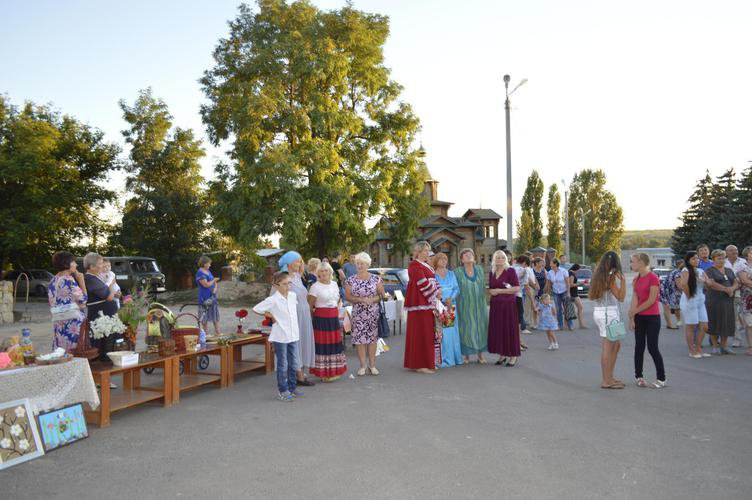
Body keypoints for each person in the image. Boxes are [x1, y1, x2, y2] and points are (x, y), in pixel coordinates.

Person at [253, 272, 302, 401]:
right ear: (276, 285)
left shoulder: (292, 296)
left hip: (293, 334)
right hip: (281, 335)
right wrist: (271, 316)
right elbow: (256, 309)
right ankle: (283, 390)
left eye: (289, 283)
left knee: (293, 362)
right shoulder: (273, 299)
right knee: (282, 364)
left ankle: (292, 387)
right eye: (285, 284)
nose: (288, 286)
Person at [589, 251, 627, 389]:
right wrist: (623, 281)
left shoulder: (599, 275)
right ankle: (606, 380)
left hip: (602, 312)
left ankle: (610, 376)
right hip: (608, 313)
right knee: (608, 346)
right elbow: (621, 297)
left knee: (616, 345)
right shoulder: (610, 277)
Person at [628, 253, 666, 388]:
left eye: (632, 262)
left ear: (641, 262)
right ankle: (639, 376)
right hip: (639, 317)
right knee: (639, 347)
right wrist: (632, 317)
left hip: (652, 317)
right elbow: (635, 298)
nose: (631, 264)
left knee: (652, 347)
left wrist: (634, 311)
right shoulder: (636, 279)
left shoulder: (653, 278)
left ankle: (661, 378)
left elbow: (651, 300)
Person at [278, 251, 315, 386]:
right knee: (295, 344)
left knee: (303, 342)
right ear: (289, 263)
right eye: (297, 261)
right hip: (293, 315)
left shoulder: (298, 276)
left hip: (304, 313)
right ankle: (298, 375)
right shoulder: (282, 277)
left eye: (300, 261)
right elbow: (274, 297)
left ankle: (299, 372)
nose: (300, 264)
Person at [404, 242, 442, 374]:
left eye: (428, 250)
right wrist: (435, 293)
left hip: (428, 302)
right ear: (418, 251)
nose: (428, 253)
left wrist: (439, 289)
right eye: (425, 251)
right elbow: (422, 282)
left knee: (428, 334)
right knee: (420, 334)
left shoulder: (427, 265)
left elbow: (433, 280)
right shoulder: (414, 265)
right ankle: (420, 364)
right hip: (420, 303)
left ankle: (428, 362)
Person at [346, 252, 384, 376]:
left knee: (372, 340)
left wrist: (373, 300)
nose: (359, 266)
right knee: (359, 340)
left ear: (367, 264)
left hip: (373, 314)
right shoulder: (350, 280)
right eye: (358, 263)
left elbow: (382, 295)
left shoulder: (375, 278)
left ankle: (372, 366)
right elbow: (347, 296)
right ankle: (362, 366)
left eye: (362, 263)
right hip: (358, 314)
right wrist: (360, 300)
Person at [307, 262, 347, 381]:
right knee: (323, 345)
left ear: (330, 272)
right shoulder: (315, 286)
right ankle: (324, 373)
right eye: (321, 271)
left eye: (326, 271)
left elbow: (337, 300)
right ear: (318, 273)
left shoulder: (335, 284)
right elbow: (310, 305)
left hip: (333, 318)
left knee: (334, 344)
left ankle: (334, 371)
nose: (324, 273)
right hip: (321, 319)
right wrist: (312, 320)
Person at [454, 248, 489, 363]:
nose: (468, 256)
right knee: (466, 328)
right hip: (464, 305)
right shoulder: (457, 272)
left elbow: (483, 286)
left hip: (479, 305)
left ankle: (480, 355)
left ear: (474, 258)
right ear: (461, 259)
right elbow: (455, 288)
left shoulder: (479, 269)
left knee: (480, 328)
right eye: (465, 255)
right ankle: (466, 355)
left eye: (470, 254)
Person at [48, 251, 87, 351]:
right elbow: (83, 299)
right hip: (72, 322)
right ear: (66, 264)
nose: (76, 264)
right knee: (74, 351)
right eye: (73, 262)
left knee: (61, 350)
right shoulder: (69, 280)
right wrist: (81, 281)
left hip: (59, 321)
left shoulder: (53, 280)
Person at [83, 252, 119, 360]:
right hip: (100, 318)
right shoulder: (90, 279)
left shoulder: (96, 277)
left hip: (105, 317)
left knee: (107, 343)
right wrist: (112, 284)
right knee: (101, 345)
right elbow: (108, 296)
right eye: (100, 263)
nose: (102, 266)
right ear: (92, 267)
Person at [487, 250, 521, 366]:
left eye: (502, 257)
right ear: (494, 259)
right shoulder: (492, 272)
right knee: (499, 330)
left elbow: (516, 288)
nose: (500, 259)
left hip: (508, 306)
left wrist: (499, 291)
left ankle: (513, 355)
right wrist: (491, 291)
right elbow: (491, 287)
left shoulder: (510, 271)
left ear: (506, 259)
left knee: (509, 329)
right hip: (496, 306)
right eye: (498, 257)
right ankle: (502, 354)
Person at [704, 249, 739, 354]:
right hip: (714, 300)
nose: (721, 260)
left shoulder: (729, 270)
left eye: (723, 258)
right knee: (714, 322)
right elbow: (711, 284)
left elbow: (736, 282)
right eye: (719, 258)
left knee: (726, 322)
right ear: (713, 259)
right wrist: (726, 289)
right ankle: (715, 346)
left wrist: (732, 289)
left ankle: (724, 346)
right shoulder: (709, 270)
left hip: (728, 301)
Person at [679, 251, 709, 358]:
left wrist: (704, 281)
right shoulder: (686, 270)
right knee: (691, 325)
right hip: (690, 300)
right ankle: (692, 350)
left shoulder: (701, 270)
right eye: (693, 259)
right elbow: (683, 284)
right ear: (688, 260)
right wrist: (689, 296)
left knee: (704, 326)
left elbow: (709, 283)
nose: (696, 260)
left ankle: (698, 348)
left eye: (697, 258)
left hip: (700, 300)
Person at [434, 252, 462, 367]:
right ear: (436, 261)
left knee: (452, 332)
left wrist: (451, 298)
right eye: (441, 259)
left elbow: (456, 288)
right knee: (442, 332)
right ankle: (444, 359)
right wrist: (443, 300)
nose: (444, 261)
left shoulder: (451, 274)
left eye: (445, 259)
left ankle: (455, 358)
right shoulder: (433, 275)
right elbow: (433, 290)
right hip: (439, 307)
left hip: (451, 307)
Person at [725, 245, 746, 348]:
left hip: (744, 292)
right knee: (734, 318)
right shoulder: (724, 262)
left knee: (747, 317)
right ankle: (736, 340)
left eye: (736, 250)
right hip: (731, 293)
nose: (735, 252)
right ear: (727, 252)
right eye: (732, 250)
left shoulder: (743, 261)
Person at [196, 255, 221, 335]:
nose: (210, 265)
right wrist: (214, 280)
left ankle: (217, 332)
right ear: (204, 263)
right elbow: (206, 285)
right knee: (204, 317)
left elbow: (214, 283)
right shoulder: (200, 273)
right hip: (204, 297)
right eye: (209, 263)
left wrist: (215, 289)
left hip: (212, 296)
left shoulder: (208, 271)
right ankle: (205, 334)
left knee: (215, 315)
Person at [547, 258, 572, 331]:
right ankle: (560, 325)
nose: (550, 264)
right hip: (555, 292)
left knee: (567, 309)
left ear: (555, 264)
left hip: (564, 291)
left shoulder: (563, 271)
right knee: (558, 309)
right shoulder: (550, 272)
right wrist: (548, 294)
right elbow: (549, 284)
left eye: (551, 263)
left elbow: (567, 283)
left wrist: (568, 293)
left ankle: (570, 325)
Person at [660, 259, 684, 329]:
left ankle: (669, 323)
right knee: (667, 307)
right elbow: (680, 286)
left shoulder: (675, 271)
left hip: (666, 290)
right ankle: (669, 324)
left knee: (667, 307)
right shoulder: (678, 273)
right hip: (666, 291)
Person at [513, 255, 534, 334]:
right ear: (524, 263)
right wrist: (532, 300)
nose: (526, 267)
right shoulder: (524, 270)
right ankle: (523, 328)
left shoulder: (510, 268)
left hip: (507, 293)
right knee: (520, 312)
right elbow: (526, 285)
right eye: (527, 265)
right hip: (518, 293)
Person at [737, 246, 752, 356]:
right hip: (747, 299)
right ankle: (750, 347)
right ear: (747, 255)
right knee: (749, 324)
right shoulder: (743, 266)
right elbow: (745, 281)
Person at [567, 263, 586, 329]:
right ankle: (581, 324)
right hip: (573, 293)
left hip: (573, 293)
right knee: (580, 307)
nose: (579, 271)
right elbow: (571, 284)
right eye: (579, 270)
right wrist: (580, 283)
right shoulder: (571, 274)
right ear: (576, 269)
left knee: (569, 309)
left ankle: (580, 324)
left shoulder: (570, 273)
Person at [531, 257, 546, 328]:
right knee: (535, 308)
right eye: (541, 262)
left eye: (542, 262)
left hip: (542, 291)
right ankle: (535, 323)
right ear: (536, 263)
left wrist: (546, 289)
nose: (542, 263)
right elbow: (531, 280)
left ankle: (542, 322)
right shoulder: (532, 271)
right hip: (535, 291)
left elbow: (547, 279)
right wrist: (535, 287)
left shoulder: (543, 270)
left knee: (543, 308)